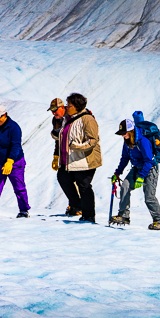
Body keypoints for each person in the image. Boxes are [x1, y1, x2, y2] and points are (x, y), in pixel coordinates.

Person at [110, 119, 160, 230]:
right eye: (121, 134)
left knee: (149, 197)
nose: (123, 136)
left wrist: (141, 177)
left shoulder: (143, 141)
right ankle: (123, 215)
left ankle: (159, 221)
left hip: (150, 170)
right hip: (137, 168)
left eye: (124, 133)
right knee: (125, 186)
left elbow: (148, 161)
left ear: (131, 131)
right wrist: (117, 173)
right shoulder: (127, 142)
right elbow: (124, 159)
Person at [55, 93, 102, 223]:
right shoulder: (69, 118)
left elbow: (93, 141)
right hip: (70, 161)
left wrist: (76, 147)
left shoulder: (87, 120)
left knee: (84, 186)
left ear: (76, 106)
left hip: (84, 160)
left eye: (69, 105)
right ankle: (78, 206)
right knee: (63, 178)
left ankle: (89, 216)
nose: (66, 107)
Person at [0, 105, 31, 218]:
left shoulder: (14, 128)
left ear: (4, 115)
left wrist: (10, 161)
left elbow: (15, 145)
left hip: (15, 163)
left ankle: (24, 211)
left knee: (19, 187)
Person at [48, 98, 81, 216]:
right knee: (64, 179)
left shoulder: (71, 118)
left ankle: (78, 206)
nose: (53, 113)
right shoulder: (55, 120)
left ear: (62, 108)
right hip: (64, 154)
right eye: (52, 111)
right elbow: (58, 140)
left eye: (55, 110)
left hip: (75, 154)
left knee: (76, 181)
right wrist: (56, 156)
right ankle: (74, 204)